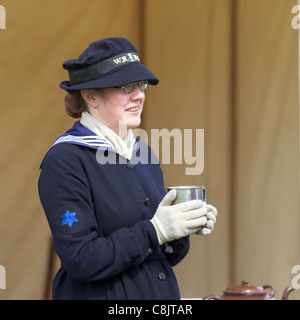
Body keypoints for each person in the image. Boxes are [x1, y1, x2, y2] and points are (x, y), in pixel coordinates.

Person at [38, 37, 218, 300]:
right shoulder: (65, 159)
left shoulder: (143, 153)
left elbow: (161, 256)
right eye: (125, 86)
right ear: (90, 96)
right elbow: (82, 259)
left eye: (141, 85)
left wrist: (181, 229)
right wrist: (155, 231)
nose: (139, 95)